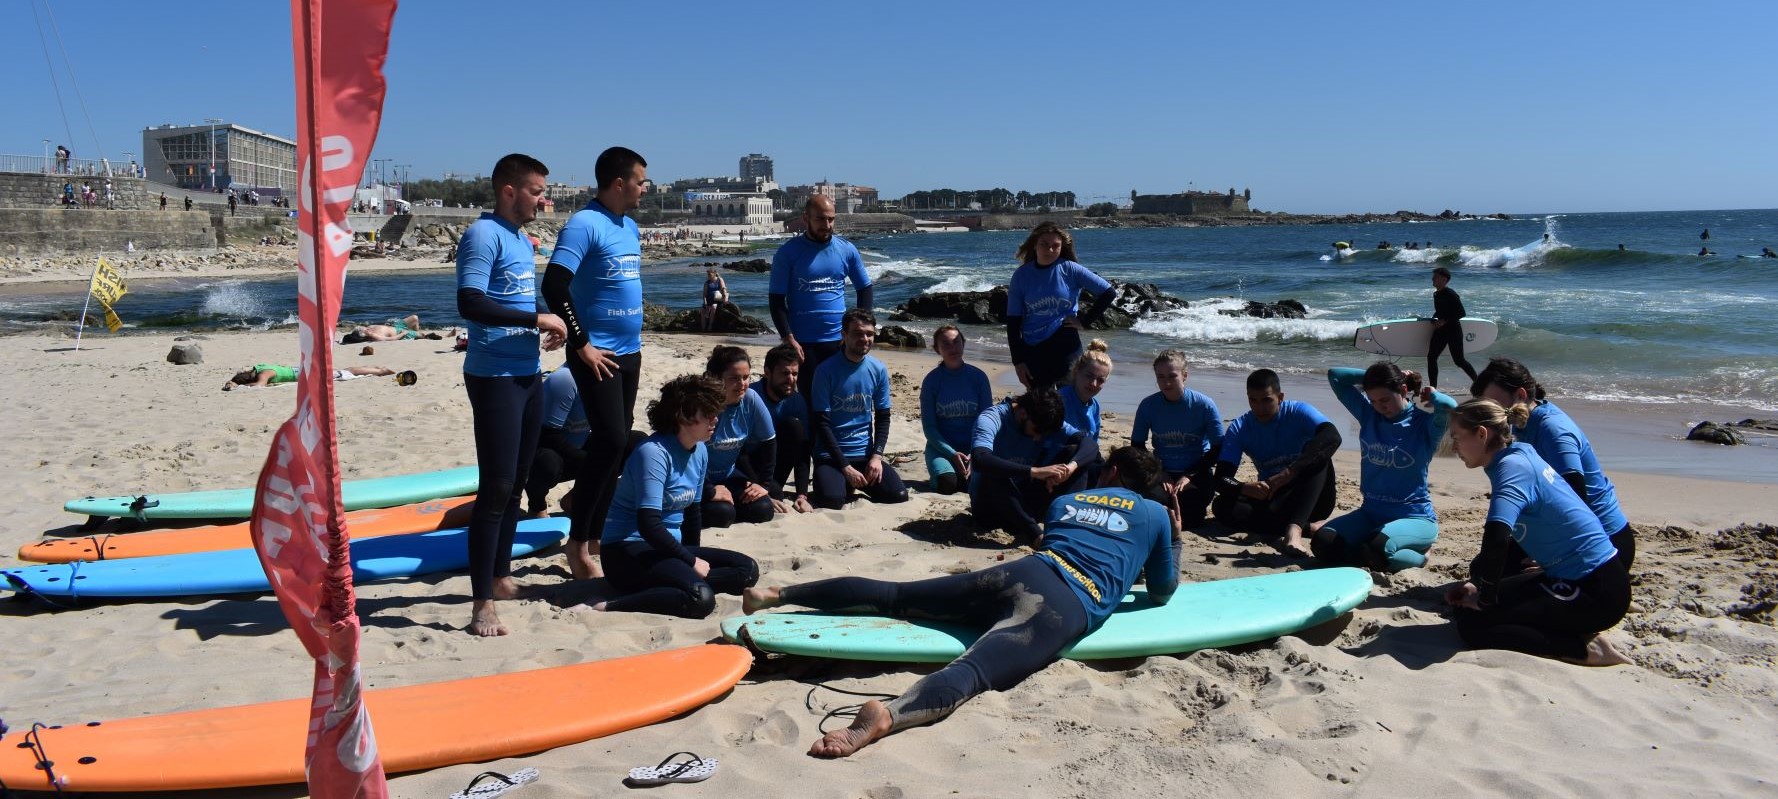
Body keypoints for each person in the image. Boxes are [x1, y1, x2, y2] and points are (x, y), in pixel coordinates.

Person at [742, 445, 1176, 759]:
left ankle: (777, 595)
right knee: (974, 671)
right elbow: (1161, 590)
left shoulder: (1066, 499)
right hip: (1065, 601)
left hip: (1025, 570)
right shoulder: (1155, 515)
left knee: (896, 595)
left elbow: (1055, 539)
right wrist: (1173, 537)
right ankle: (886, 717)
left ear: (1112, 472)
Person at [455, 152, 568, 636]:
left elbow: (519, 296)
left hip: (529, 374)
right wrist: (534, 318)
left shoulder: (521, 240)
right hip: (494, 377)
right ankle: (482, 603)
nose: (544, 200)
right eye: (538, 191)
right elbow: (471, 302)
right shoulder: (482, 235)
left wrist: (546, 317)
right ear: (509, 191)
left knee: (518, 483)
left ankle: (501, 578)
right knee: (496, 487)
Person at [1442, 399, 1631, 666]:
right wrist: (1481, 588)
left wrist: (1485, 598)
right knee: (1464, 606)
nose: (1454, 447)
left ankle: (1584, 649)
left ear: (1482, 434)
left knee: (1473, 627)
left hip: (1597, 592)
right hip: (1573, 576)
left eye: (1457, 437)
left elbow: (1496, 537)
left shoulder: (1512, 471)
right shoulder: (1520, 452)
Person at [543, 146, 649, 580]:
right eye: (641, 181)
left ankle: (594, 533)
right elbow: (554, 284)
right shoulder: (584, 224)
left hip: (630, 352)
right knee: (607, 443)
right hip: (597, 353)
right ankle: (577, 542)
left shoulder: (629, 227)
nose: (645, 188)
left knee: (618, 443)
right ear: (619, 182)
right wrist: (581, 343)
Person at [591, 374, 759, 618]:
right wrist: (690, 562)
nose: (715, 420)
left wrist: (692, 557)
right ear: (683, 416)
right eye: (708, 413)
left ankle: (674, 585)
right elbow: (648, 525)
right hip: (627, 551)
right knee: (700, 599)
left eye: (716, 412)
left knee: (746, 570)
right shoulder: (653, 453)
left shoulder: (700, 449)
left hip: (668, 549)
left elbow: (693, 512)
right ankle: (610, 605)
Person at [1470, 357, 1634, 568]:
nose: (1490, 411)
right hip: (1558, 526)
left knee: (1493, 574)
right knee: (1482, 567)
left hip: (1603, 541)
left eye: (1494, 403)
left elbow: (1577, 497)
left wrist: (1552, 553)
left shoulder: (1553, 429)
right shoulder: (1519, 421)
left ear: (1520, 395)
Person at [1310, 363, 1455, 572]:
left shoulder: (1424, 425)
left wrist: (1432, 395)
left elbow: (1449, 407)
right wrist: (1374, 377)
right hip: (1371, 514)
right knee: (1323, 543)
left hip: (1413, 517)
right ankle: (1369, 552)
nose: (1379, 406)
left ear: (1403, 390)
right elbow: (1335, 376)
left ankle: (1421, 557)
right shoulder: (1369, 416)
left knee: (1376, 550)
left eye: (1385, 400)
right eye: (1373, 400)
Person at [1211, 369, 1341, 557]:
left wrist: (1289, 473)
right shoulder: (1240, 428)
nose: (1259, 408)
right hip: (1275, 500)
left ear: (1280, 397)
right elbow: (1222, 479)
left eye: (1266, 400)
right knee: (1221, 506)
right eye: (1253, 400)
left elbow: (1332, 436)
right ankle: (1310, 528)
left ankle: (1295, 530)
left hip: (1313, 498)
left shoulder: (1299, 411)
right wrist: (1245, 488)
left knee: (1320, 456)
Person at [769, 195, 873, 401]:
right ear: (806, 218)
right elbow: (776, 300)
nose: (827, 225)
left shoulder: (847, 250)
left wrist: (860, 328)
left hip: (839, 342)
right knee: (812, 403)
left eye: (831, 219)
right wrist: (788, 337)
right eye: (821, 219)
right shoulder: (788, 253)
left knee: (840, 400)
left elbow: (865, 289)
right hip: (803, 345)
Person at [969, 387, 1099, 545]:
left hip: (1025, 501)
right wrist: (1034, 471)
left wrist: (1069, 468)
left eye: (1044, 434)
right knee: (994, 470)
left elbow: (1090, 445)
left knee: (1075, 454)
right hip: (990, 507)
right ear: (1024, 413)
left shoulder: (1043, 420)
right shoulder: (991, 417)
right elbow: (979, 459)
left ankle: (1068, 526)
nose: (1038, 438)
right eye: (1037, 431)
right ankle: (1037, 536)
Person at [809, 309, 907, 510]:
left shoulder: (878, 369)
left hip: (865, 455)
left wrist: (877, 457)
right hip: (831, 457)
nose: (865, 339)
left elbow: (883, 417)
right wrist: (845, 467)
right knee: (833, 500)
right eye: (858, 333)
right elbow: (821, 423)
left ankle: (851, 481)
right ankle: (840, 481)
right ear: (844, 335)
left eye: (869, 334)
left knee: (898, 495)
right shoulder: (825, 370)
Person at [1006, 222, 1115, 390]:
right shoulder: (1021, 276)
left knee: (1069, 400)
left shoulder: (1070, 269)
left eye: (1055, 246)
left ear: (1062, 247)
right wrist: (1018, 361)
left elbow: (1108, 292)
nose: (1049, 250)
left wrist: (1085, 322)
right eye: (1044, 244)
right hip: (1033, 347)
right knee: (1040, 405)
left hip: (1065, 344)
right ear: (1035, 245)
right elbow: (1013, 322)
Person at [1131, 350, 1223, 531]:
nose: (1166, 382)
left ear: (1185, 375)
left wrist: (1189, 475)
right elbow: (1137, 445)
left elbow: (1218, 447)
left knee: (1190, 515)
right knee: (1154, 508)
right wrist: (1158, 471)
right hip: (1162, 471)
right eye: (1160, 377)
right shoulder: (1148, 405)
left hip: (1196, 472)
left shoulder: (1204, 405)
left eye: (1172, 376)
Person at [701, 346, 777, 528]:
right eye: (734, 378)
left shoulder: (751, 399)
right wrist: (709, 490)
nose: (742, 384)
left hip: (728, 474)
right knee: (723, 514)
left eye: (746, 377)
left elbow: (769, 442)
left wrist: (764, 485)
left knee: (763, 509)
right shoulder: (704, 404)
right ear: (718, 379)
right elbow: (686, 455)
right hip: (698, 480)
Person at [920, 324, 993, 495]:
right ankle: (941, 475)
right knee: (948, 484)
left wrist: (976, 453)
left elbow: (988, 422)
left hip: (974, 450)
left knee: (974, 486)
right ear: (937, 349)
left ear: (963, 344)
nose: (952, 347)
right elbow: (929, 428)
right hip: (942, 449)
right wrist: (952, 454)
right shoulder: (931, 382)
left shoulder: (979, 377)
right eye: (946, 344)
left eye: (956, 342)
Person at [752, 343, 814, 514]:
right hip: (749, 465)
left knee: (794, 426)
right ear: (767, 372)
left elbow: (803, 452)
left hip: (774, 467)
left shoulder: (797, 401)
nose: (791, 379)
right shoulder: (751, 397)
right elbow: (737, 451)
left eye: (795, 374)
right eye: (785, 373)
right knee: (774, 494)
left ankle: (773, 486)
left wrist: (802, 494)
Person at [524, 367, 588, 518]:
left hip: (579, 448)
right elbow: (546, 436)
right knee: (546, 461)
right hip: (545, 454)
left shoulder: (613, 375)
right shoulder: (565, 379)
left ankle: (577, 498)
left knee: (632, 443)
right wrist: (586, 460)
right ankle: (536, 505)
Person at [1427, 266, 1478, 389]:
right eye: (1433, 277)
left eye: (1435, 277)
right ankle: (1433, 389)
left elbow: (1461, 313)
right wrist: (1434, 319)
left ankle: (1478, 384)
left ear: (1444, 279)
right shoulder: (1436, 294)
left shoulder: (1451, 293)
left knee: (1459, 360)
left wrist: (1444, 321)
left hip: (1453, 331)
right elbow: (1441, 311)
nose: (1432, 279)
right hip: (1441, 331)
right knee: (1431, 357)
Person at [1059, 339, 1113, 443]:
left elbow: (1094, 443)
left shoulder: (1095, 407)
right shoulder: (1059, 400)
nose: (1094, 384)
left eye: (1100, 380)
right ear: (1076, 372)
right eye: (1089, 376)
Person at [222, 363, 396, 390]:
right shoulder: (260, 366)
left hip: (307, 374)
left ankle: (380, 371)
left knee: (345, 372)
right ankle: (378, 369)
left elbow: (260, 385)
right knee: (347, 370)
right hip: (304, 370)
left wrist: (240, 386)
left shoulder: (264, 373)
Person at [340, 314, 445, 343]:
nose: (366, 328)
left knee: (414, 318)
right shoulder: (373, 336)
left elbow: (348, 337)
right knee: (422, 335)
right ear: (364, 334)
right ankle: (420, 335)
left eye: (363, 327)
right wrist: (403, 334)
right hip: (399, 332)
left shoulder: (368, 328)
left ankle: (416, 332)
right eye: (364, 330)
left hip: (396, 325)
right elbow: (390, 339)